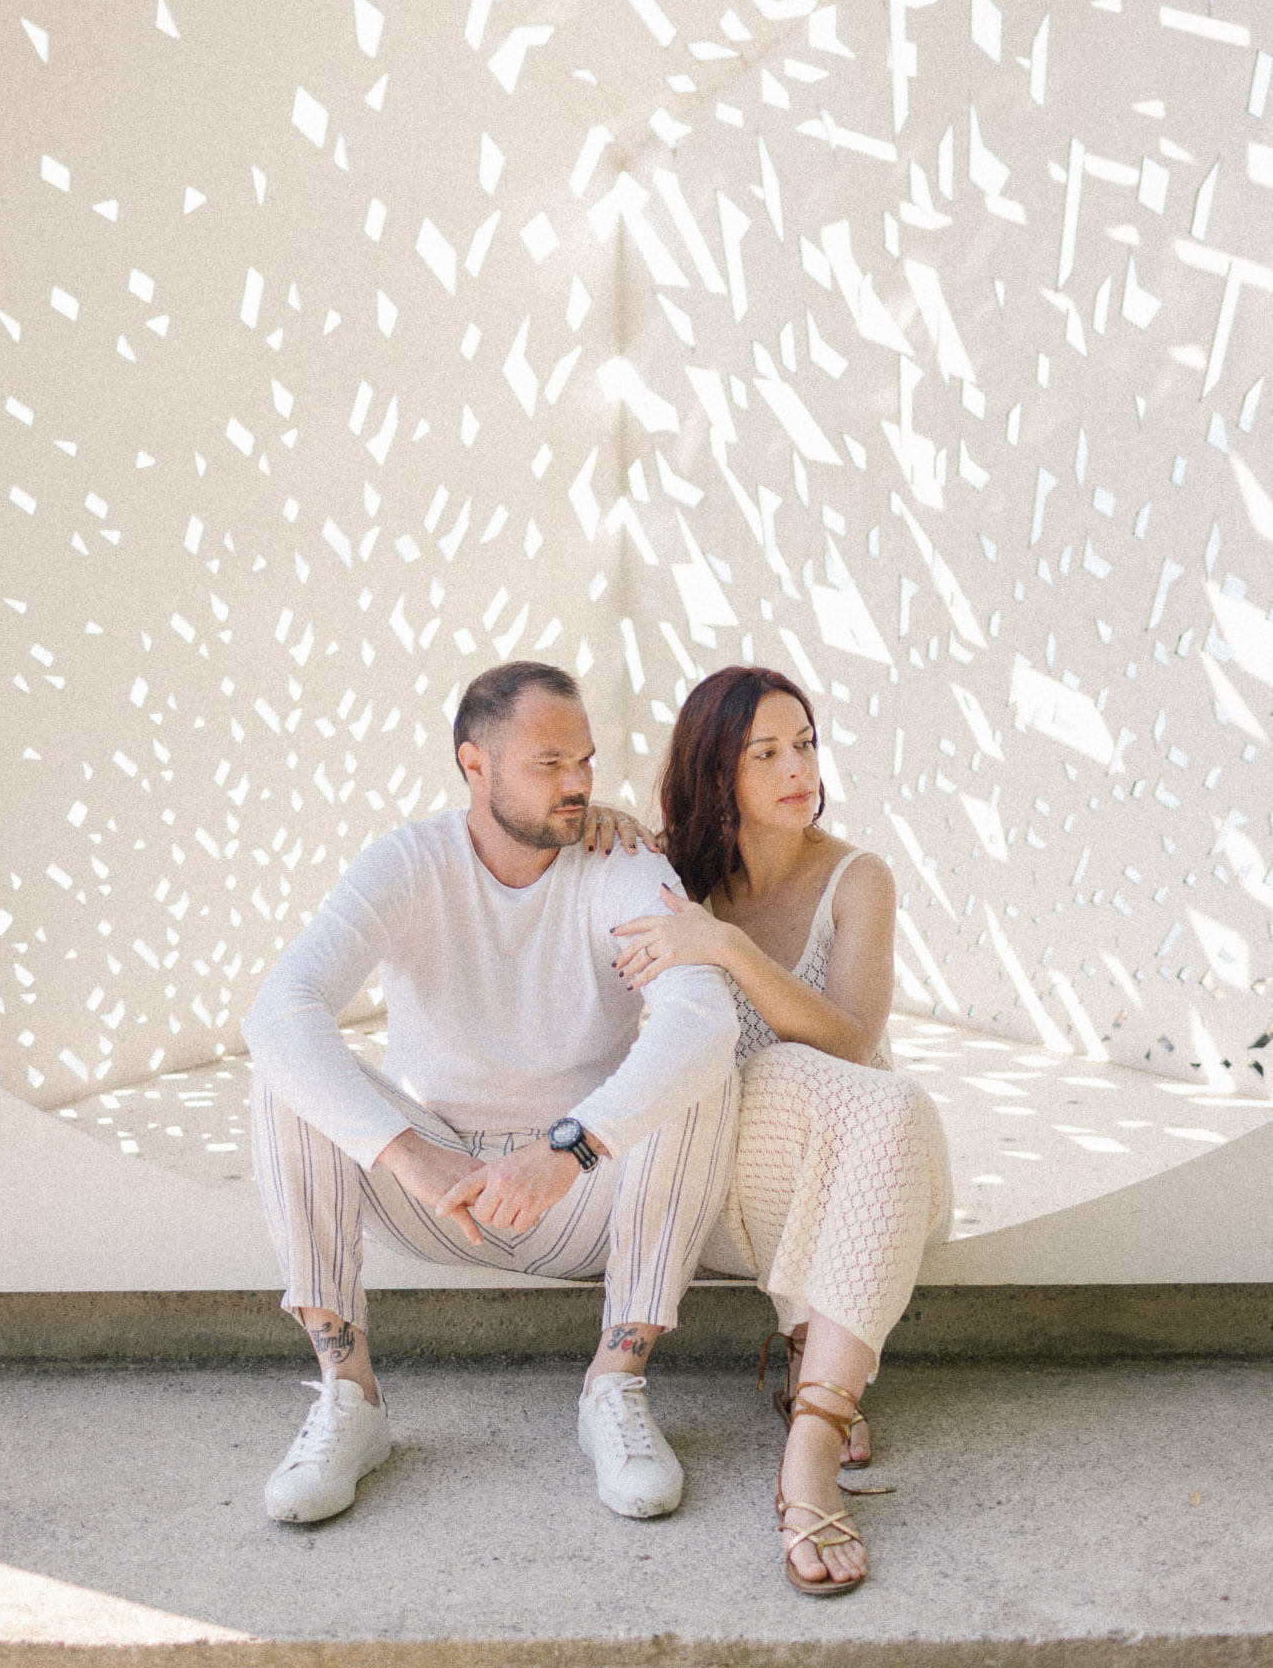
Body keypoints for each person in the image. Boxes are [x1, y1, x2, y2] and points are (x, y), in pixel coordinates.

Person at [241, 660, 739, 1527]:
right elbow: (280, 1007)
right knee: (285, 1063)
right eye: (549, 764)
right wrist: (415, 1158)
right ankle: (348, 1402)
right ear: (475, 765)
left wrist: (569, 1150)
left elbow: (698, 1020)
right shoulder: (408, 861)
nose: (578, 783)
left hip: (584, 1192)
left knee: (702, 1065)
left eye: (584, 760)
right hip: (441, 1188)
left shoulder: (619, 861)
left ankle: (614, 1388)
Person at [611, 666, 952, 1597]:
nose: (795, 767)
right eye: (763, 752)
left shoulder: (857, 878)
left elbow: (850, 1037)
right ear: (715, 771)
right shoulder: (670, 875)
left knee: (885, 1101)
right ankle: (813, 1341)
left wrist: (725, 947)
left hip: (869, 1167)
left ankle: (811, 1437)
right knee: (770, 1082)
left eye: (802, 742)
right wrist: (601, 822)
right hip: (734, 1180)